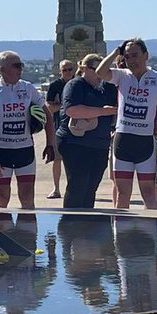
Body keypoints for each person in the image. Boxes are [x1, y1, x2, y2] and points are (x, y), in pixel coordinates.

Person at [96, 39, 157, 210]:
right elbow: (100, 71)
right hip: (123, 141)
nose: (132, 60)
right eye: (128, 57)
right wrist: (117, 52)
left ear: (146, 55)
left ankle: (151, 235)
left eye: (136, 55)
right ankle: (120, 235)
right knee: (123, 193)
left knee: (148, 193)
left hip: (145, 141)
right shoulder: (122, 75)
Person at [0, 51, 56, 210]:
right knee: (1, 197)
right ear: (2, 69)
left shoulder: (28, 89)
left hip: (25, 151)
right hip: (1, 152)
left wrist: (50, 145)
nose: (21, 69)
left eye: (22, 65)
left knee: (27, 198)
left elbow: (48, 117)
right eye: (17, 66)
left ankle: (27, 235)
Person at [56, 54, 117, 209]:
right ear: (83, 68)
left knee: (91, 187)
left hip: (99, 144)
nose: (100, 74)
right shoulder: (75, 85)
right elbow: (72, 110)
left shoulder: (107, 88)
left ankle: (87, 224)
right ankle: (70, 226)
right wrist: (103, 112)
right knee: (78, 185)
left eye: (103, 70)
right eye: (96, 69)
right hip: (75, 143)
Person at [44, 59, 76, 199]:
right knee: (57, 159)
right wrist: (66, 107)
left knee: (76, 160)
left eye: (70, 69)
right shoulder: (54, 86)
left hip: (77, 128)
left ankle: (74, 188)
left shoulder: (79, 84)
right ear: (60, 71)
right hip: (59, 127)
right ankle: (56, 189)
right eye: (65, 70)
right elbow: (50, 107)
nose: (68, 72)